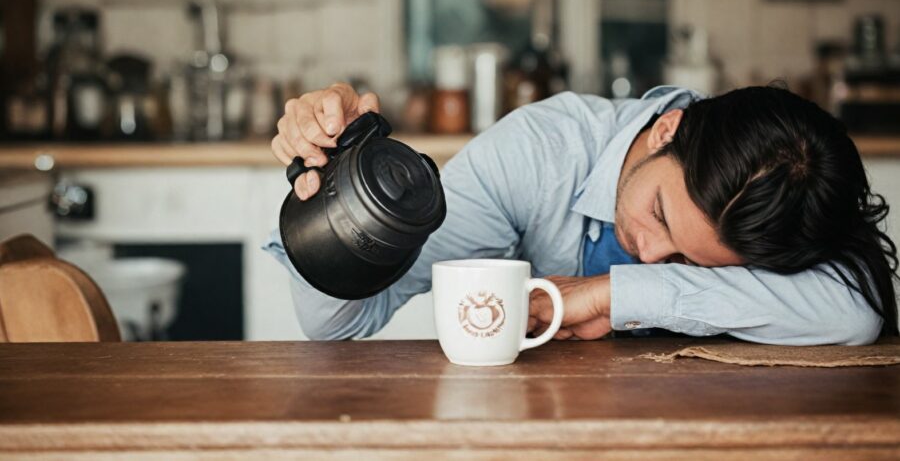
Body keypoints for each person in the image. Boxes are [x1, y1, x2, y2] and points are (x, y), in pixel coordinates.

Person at [265, 82, 898, 344]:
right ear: (665, 130)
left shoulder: (778, 209)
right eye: (662, 218)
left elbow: (855, 311)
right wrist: (333, 196)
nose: (650, 252)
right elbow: (342, 325)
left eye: (686, 263)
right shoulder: (535, 157)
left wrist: (608, 294)